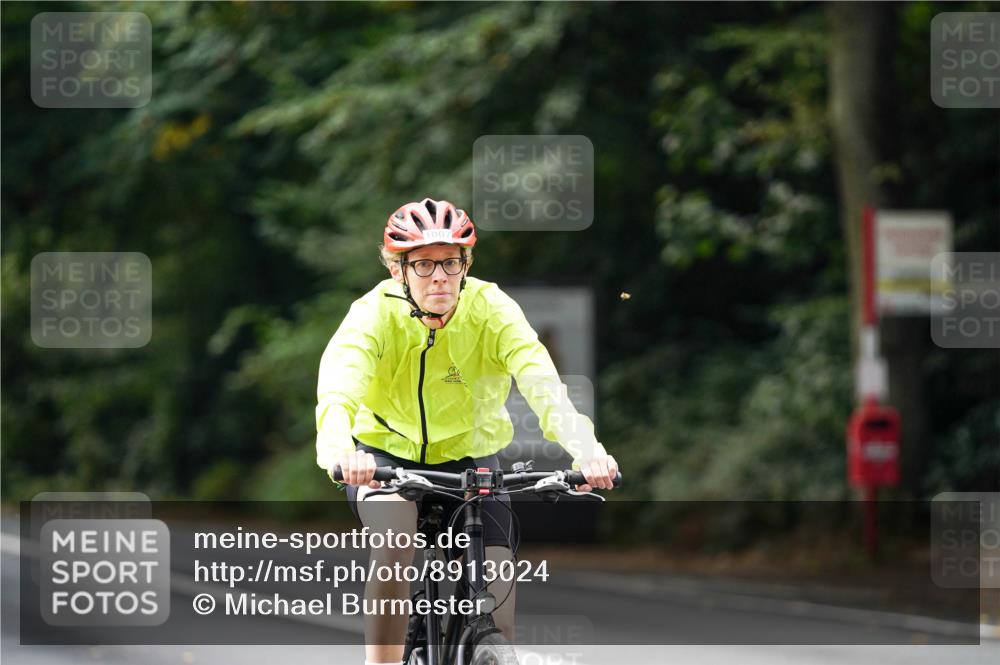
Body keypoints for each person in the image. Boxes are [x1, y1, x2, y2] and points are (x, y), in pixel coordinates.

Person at [315, 197, 619, 665]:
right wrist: (342, 452)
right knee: (396, 541)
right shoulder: (372, 314)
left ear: (465, 264)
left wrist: (588, 452)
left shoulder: (491, 309)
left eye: (451, 262)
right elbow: (339, 390)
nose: (439, 276)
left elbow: (544, 386)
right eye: (423, 264)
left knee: (500, 602)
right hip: (383, 458)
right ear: (399, 270)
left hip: (471, 459)